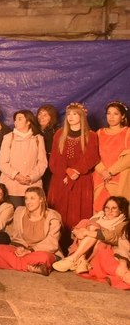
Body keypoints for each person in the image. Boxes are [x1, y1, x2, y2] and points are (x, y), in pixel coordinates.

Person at [0, 187, 62, 275]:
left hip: (42, 251)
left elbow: (52, 242)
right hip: (24, 250)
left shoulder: (53, 217)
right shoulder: (20, 212)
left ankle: (17, 264)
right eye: (26, 198)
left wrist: (31, 251)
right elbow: (16, 236)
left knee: (44, 257)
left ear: (41, 199)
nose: (28, 202)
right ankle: (30, 267)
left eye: (32, 198)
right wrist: (20, 248)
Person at [47, 103, 99, 239]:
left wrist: (75, 171)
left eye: (74, 114)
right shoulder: (59, 134)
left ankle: (76, 246)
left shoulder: (90, 135)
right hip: (61, 179)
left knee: (77, 213)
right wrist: (65, 173)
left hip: (80, 180)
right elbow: (54, 160)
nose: (70, 117)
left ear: (81, 117)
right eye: (68, 114)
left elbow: (92, 157)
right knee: (59, 212)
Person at [52, 196, 128, 274]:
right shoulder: (99, 217)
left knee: (95, 227)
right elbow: (79, 230)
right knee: (86, 222)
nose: (109, 211)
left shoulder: (123, 223)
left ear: (121, 210)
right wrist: (76, 231)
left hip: (104, 248)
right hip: (89, 249)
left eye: (114, 208)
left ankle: (74, 258)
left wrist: (88, 233)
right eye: (107, 208)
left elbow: (113, 237)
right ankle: (82, 260)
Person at [0, 109, 48, 207]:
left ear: (28, 122)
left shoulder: (38, 139)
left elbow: (42, 163)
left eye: (20, 119)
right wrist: (16, 176)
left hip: (32, 186)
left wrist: (31, 177)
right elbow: (2, 163)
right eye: (15, 119)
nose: (16, 122)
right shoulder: (8, 138)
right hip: (12, 186)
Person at [92, 101, 130, 211]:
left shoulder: (127, 133)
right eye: (109, 113)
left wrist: (110, 172)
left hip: (119, 179)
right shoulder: (99, 133)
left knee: (118, 211)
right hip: (100, 179)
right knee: (99, 211)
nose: (111, 117)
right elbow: (93, 155)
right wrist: (102, 171)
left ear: (122, 116)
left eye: (116, 114)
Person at [83, 213, 130, 289]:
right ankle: (123, 276)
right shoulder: (127, 227)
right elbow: (123, 247)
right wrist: (123, 264)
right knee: (104, 254)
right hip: (126, 262)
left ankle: (119, 279)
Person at [37, 104, 58, 193]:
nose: (41, 117)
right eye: (40, 114)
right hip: (34, 165)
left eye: (45, 115)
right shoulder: (33, 130)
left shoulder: (56, 131)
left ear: (51, 117)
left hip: (50, 165)